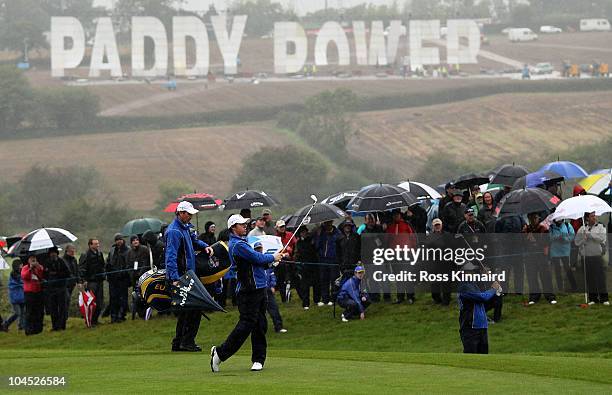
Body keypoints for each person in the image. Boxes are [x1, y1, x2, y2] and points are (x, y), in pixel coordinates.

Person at [210, 214, 285, 372]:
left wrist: (272, 261)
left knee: (260, 325)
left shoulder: (243, 242)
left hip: (259, 289)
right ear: (233, 227)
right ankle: (220, 353)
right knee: (246, 325)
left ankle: (258, 359)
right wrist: (272, 256)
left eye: (245, 224)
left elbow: (256, 264)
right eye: (241, 224)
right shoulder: (237, 245)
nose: (245, 226)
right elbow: (255, 257)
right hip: (247, 291)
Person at [165, 201, 214, 352]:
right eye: (189, 214)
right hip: (181, 276)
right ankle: (186, 342)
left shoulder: (184, 228)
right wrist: (174, 278)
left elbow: (194, 240)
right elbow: (171, 256)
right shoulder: (174, 231)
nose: (191, 216)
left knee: (187, 311)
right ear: (180, 213)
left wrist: (204, 245)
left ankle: (179, 343)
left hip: (187, 275)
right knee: (193, 309)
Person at [458, 264, 502, 354]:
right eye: (471, 272)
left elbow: (486, 294)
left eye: (474, 271)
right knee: (471, 357)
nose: (474, 273)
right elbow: (482, 297)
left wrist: (493, 285)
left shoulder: (473, 285)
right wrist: (494, 289)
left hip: (482, 326)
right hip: (470, 327)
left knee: (483, 357)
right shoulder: (464, 287)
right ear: (464, 274)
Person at [574, 212, 609, 305]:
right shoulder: (582, 228)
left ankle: (604, 298)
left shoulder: (601, 226)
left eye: (594, 216)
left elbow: (602, 238)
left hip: (597, 256)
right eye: (592, 216)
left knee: (600, 278)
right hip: (586, 257)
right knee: (590, 279)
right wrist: (583, 239)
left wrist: (590, 235)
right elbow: (576, 242)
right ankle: (593, 298)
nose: (594, 218)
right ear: (587, 218)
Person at [523, 213, 555, 305]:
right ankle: (534, 296)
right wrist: (526, 238)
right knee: (532, 277)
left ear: (538, 218)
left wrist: (535, 240)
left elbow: (547, 242)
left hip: (542, 256)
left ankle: (550, 296)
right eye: (531, 218)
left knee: (545, 276)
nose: (533, 220)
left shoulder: (543, 229)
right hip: (530, 257)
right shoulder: (526, 229)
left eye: (535, 218)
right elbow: (522, 243)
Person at [254, 242, 287, 333]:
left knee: (274, 308)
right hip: (258, 289)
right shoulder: (254, 260)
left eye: (260, 248)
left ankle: (279, 327)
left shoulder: (265, 259)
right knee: (260, 312)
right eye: (257, 249)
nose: (259, 250)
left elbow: (271, 273)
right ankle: (260, 330)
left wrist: (272, 285)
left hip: (267, 289)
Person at [387, 209, 416, 304]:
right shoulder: (390, 227)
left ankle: (410, 296)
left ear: (400, 215)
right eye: (394, 215)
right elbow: (387, 240)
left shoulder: (407, 225)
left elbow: (412, 238)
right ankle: (400, 297)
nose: (396, 217)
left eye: (397, 215)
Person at [79, 238, 106, 327]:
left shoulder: (100, 254)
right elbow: (82, 268)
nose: (97, 245)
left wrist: (103, 274)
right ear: (90, 245)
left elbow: (103, 266)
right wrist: (84, 280)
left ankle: (95, 320)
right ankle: (90, 320)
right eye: (95, 244)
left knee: (99, 301)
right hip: (91, 281)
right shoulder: (85, 255)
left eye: (98, 244)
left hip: (99, 280)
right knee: (91, 301)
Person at [44, 247, 71, 331]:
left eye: (54, 253)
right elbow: (45, 274)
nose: (53, 254)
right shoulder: (47, 262)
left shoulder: (61, 261)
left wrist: (57, 274)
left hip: (61, 288)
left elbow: (68, 273)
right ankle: (55, 326)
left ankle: (62, 325)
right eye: (51, 253)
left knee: (62, 307)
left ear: (57, 253)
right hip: (51, 289)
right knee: (53, 308)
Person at [315, 220, 341, 306]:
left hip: (333, 259)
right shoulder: (321, 233)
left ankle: (333, 298)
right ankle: (325, 298)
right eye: (325, 223)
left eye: (329, 223)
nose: (327, 224)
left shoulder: (337, 232)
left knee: (334, 279)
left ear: (332, 222)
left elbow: (339, 244)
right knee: (323, 279)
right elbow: (317, 246)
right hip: (323, 259)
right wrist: (318, 236)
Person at [294, 226, 320, 310]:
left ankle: (317, 300)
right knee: (305, 286)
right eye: (302, 232)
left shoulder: (311, 240)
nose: (304, 233)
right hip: (304, 267)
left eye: (305, 232)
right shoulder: (298, 242)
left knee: (316, 283)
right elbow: (297, 254)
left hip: (314, 265)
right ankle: (306, 303)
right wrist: (299, 265)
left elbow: (315, 250)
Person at [106, 234, 130, 323]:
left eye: (120, 239)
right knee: (113, 298)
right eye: (117, 240)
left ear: (123, 240)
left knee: (123, 298)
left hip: (123, 279)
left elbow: (128, 264)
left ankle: (121, 315)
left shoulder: (127, 250)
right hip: (113, 279)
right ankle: (113, 316)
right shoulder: (112, 250)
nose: (118, 241)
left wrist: (123, 273)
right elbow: (108, 262)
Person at [549, 218, 577, 292]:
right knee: (557, 270)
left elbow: (572, 235)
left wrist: (565, 239)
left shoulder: (568, 225)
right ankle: (560, 288)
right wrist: (557, 237)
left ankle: (574, 286)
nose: (559, 219)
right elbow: (549, 238)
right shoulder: (551, 227)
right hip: (555, 252)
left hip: (565, 251)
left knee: (567, 269)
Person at [428, 218, 451, 305]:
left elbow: (451, 247)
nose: (437, 227)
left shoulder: (447, 235)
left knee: (446, 282)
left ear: (441, 225)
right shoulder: (430, 237)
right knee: (435, 282)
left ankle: (446, 300)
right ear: (433, 226)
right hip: (434, 262)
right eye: (436, 225)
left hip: (446, 261)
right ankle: (436, 298)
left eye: (439, 225)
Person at [22, 254, 45, 335]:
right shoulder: (25, 268)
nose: (33, 261)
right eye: (31, 259)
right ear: (28, 261)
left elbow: (42, 275)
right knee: (30, 311)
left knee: (39, 311)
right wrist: (30, 269)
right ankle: (29, 329)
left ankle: (38, 329)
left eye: (34, 259)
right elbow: (24, 277)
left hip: (38, 291)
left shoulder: (39, 267)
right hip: (29, 292)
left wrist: (38, 267)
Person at [274, 219, 296, 303]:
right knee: (280, 280)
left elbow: (295, 245)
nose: (282, 228)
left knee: (293, 278)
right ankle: (284, 298)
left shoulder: (290, 235)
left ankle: (292, 295)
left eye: (283, 226)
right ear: (277, 228)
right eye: (280, 227)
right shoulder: (275, 238)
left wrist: (290, 251)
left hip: (290, 261)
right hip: (280, 262)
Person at [2, 260, 25, 332]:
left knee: (23, 312)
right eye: (21, 265)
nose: (22, 266)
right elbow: (19, 282)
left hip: (21, 296)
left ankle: (21, 326)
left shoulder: (20, 273)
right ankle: (5, 324)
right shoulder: (14, 274)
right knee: (17, 313)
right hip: (15, 297)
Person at [63, 244, 79, 322]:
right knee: (66, 299)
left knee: (68, 301)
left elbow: (76, 271)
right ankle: (64, 317)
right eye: (71, 251)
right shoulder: (63, 260)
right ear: (67, 251)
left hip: (72, 284)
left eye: (73, 250)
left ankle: (65, 317)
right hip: (65, 284)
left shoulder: (74, 260)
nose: (73, 252)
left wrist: (78, 280)